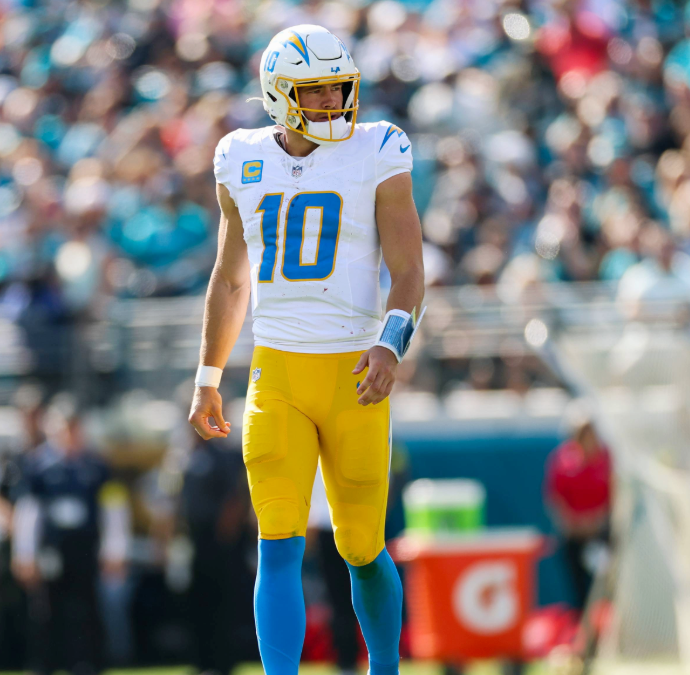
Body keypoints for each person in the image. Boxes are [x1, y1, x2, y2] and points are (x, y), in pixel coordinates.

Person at [186, 24, 425, 675]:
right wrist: (208, 374)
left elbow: (408, 270)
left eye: (337, 90)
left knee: (362, 545)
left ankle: (384, 668)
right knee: (280, 539)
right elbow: (231, 276)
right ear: (279, 94)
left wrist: (390, 343)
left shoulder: (378, 148)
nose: (330, 104)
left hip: (354, 373)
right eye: (315, 93)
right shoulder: (239, 155)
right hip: (279, 373)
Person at [11, 396, 121, 675]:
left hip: (85, 548)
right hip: (51, 550)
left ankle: (88, 666)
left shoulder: (97, 466)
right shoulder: (38, 465)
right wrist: (24, 553)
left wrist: (115, 550)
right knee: (46, 613)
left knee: (88, 612)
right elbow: (28, 511)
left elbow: (113, 509)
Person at [180, 432, 253, 675]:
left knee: (224, 607)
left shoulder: (224, 455)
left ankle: (224, 663)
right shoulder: (186, 455)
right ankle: (202, 663)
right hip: (196, 541)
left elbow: (235, 498)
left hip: (220, 543)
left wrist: (225, 536)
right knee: (199, 606)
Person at [544, 407, 613, 609]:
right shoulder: (563, 461)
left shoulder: (607, 459)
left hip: (601, 535)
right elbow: (555, 498)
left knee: (604, 587)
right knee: (579, 590)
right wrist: (575, 524)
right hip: (573, 536)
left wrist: (596, 522)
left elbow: (615, 496)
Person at [308, 471, 359, 675]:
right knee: (343, 601)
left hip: (341, 525)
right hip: (339, 525)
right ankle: (348, 659)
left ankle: (350, 660)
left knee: (345, 600)